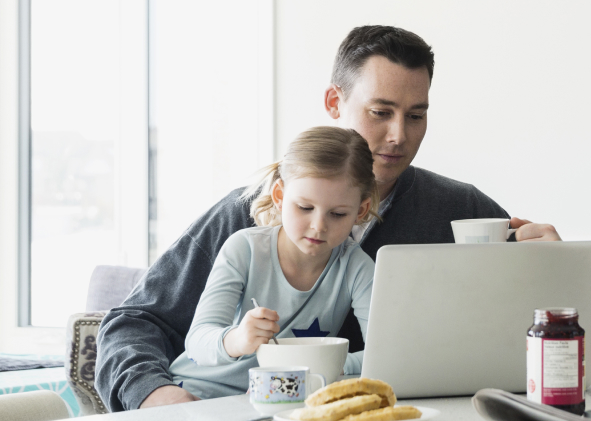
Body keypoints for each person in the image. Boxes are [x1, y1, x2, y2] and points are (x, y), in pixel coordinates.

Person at [96, 25, 561, 411]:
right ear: (334, 103)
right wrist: (154, 394)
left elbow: (527, 335)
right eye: (380, 112)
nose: (399, 135)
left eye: (416, 116)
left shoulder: (462, 212)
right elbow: (132, 323)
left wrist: (546, 274)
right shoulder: (247, 216)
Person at [167, 126, 378, 399]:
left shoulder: (357, 267)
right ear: (279, 196)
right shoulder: (244, 249)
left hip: (277, 401)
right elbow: (197, 343)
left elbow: (382, 356)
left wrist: (304, 366)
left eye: (337, 214)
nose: (318, 226)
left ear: (360, 211)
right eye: (304, 208)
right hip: (198, 395)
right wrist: (239, 339)